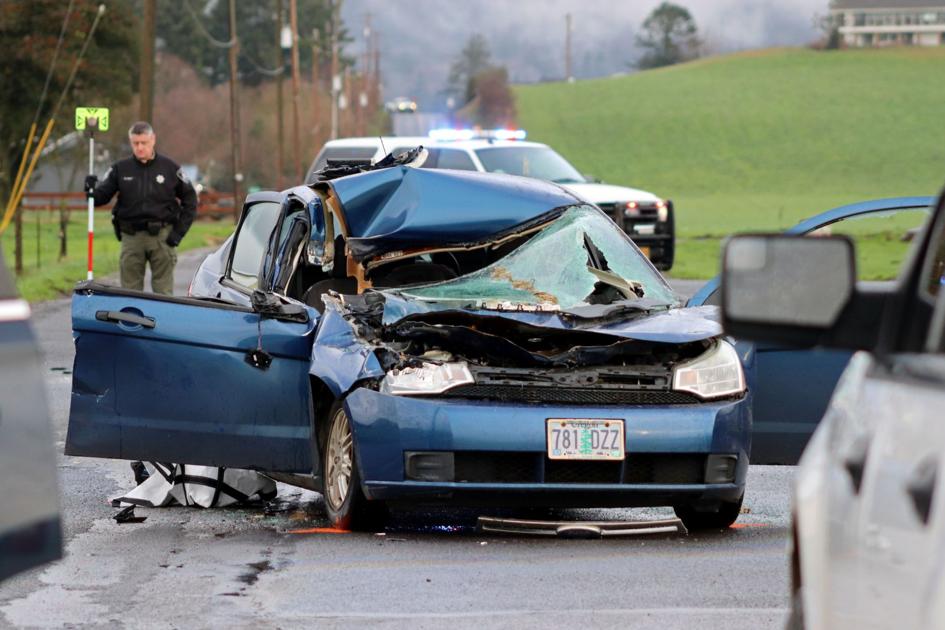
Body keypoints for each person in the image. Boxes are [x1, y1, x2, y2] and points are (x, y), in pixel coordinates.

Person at [84, 121, 197, 295]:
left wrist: (177, 235)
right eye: (135, 143)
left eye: (144, 143)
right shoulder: (120, 169)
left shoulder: (170, 168)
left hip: (162, 238)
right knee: (130, 293)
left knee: (163, 293)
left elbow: (190, 200)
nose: (140, 147)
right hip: (131, 238)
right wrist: (91, 188)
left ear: (153, 140)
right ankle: (133, 322)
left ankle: (162, 322)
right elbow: (99, 198)